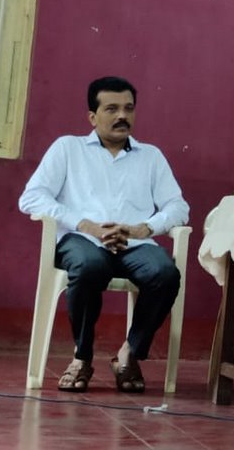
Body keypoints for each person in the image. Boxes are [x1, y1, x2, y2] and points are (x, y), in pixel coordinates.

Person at [18, 76, 189, 393]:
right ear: (92, 117)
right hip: (82, 240)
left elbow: (177, 206)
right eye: (111, 109)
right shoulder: (68, 148)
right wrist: (86, 225)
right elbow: (32, 197)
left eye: (128, 108)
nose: (122, 115)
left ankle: (128, 353)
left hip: (135, 243)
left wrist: (145, 227)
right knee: (89, 267)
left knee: (165, 274)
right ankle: (82, 356)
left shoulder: (151, 156)